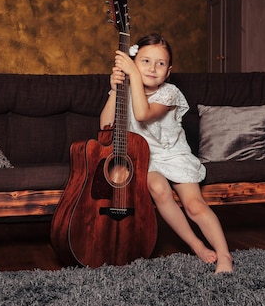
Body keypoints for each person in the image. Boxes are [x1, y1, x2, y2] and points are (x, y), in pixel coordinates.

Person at [100, 33, 234, 274]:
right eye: (145, 61)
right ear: (134, 61)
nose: (152, 68)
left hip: (174, 154)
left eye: (160, 63)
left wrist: (132, 75)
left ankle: (225, 256)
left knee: (194, 205)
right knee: (159, 189)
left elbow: (142, 114)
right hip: (145, 159)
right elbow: (105, 127)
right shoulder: (126, 90)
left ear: (169, 70)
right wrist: (115, 91)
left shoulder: (169, 93)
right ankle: (196, 245)